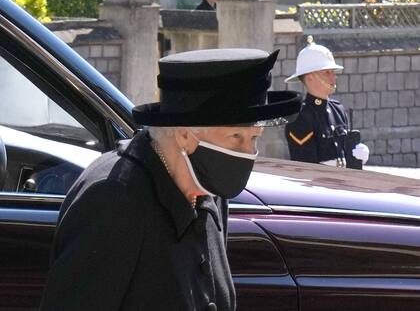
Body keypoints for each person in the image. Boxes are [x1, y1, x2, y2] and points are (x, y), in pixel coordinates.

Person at [39, 48, 301, 311]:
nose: (247, 153)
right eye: (236, 137)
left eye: (253, 138)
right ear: (185, 134)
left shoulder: (208, 191)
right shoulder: (114, 198)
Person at [284, 36, 369, 168]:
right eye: (327, 72)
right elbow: (305, 165)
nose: (333, 76)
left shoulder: (338, 109)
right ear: (310, 77)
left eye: (333, 72)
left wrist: (356, 156)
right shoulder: (300, 116)